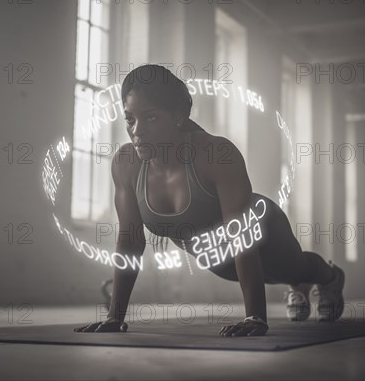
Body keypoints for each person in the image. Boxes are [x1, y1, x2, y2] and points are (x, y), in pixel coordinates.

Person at [74, 64, 345, 337]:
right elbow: (130, 240)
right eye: (130, 119)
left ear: (178, 117)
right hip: (220, 259)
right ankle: (298, 285)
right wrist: (114, 317)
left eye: (151, 118)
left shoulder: (216, 154)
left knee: (289, 268)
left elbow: (242, 236)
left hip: (262, 229)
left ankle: (330, 277)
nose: (137, 131)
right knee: (242, 272)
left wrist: (255, 317)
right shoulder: (125, 163)